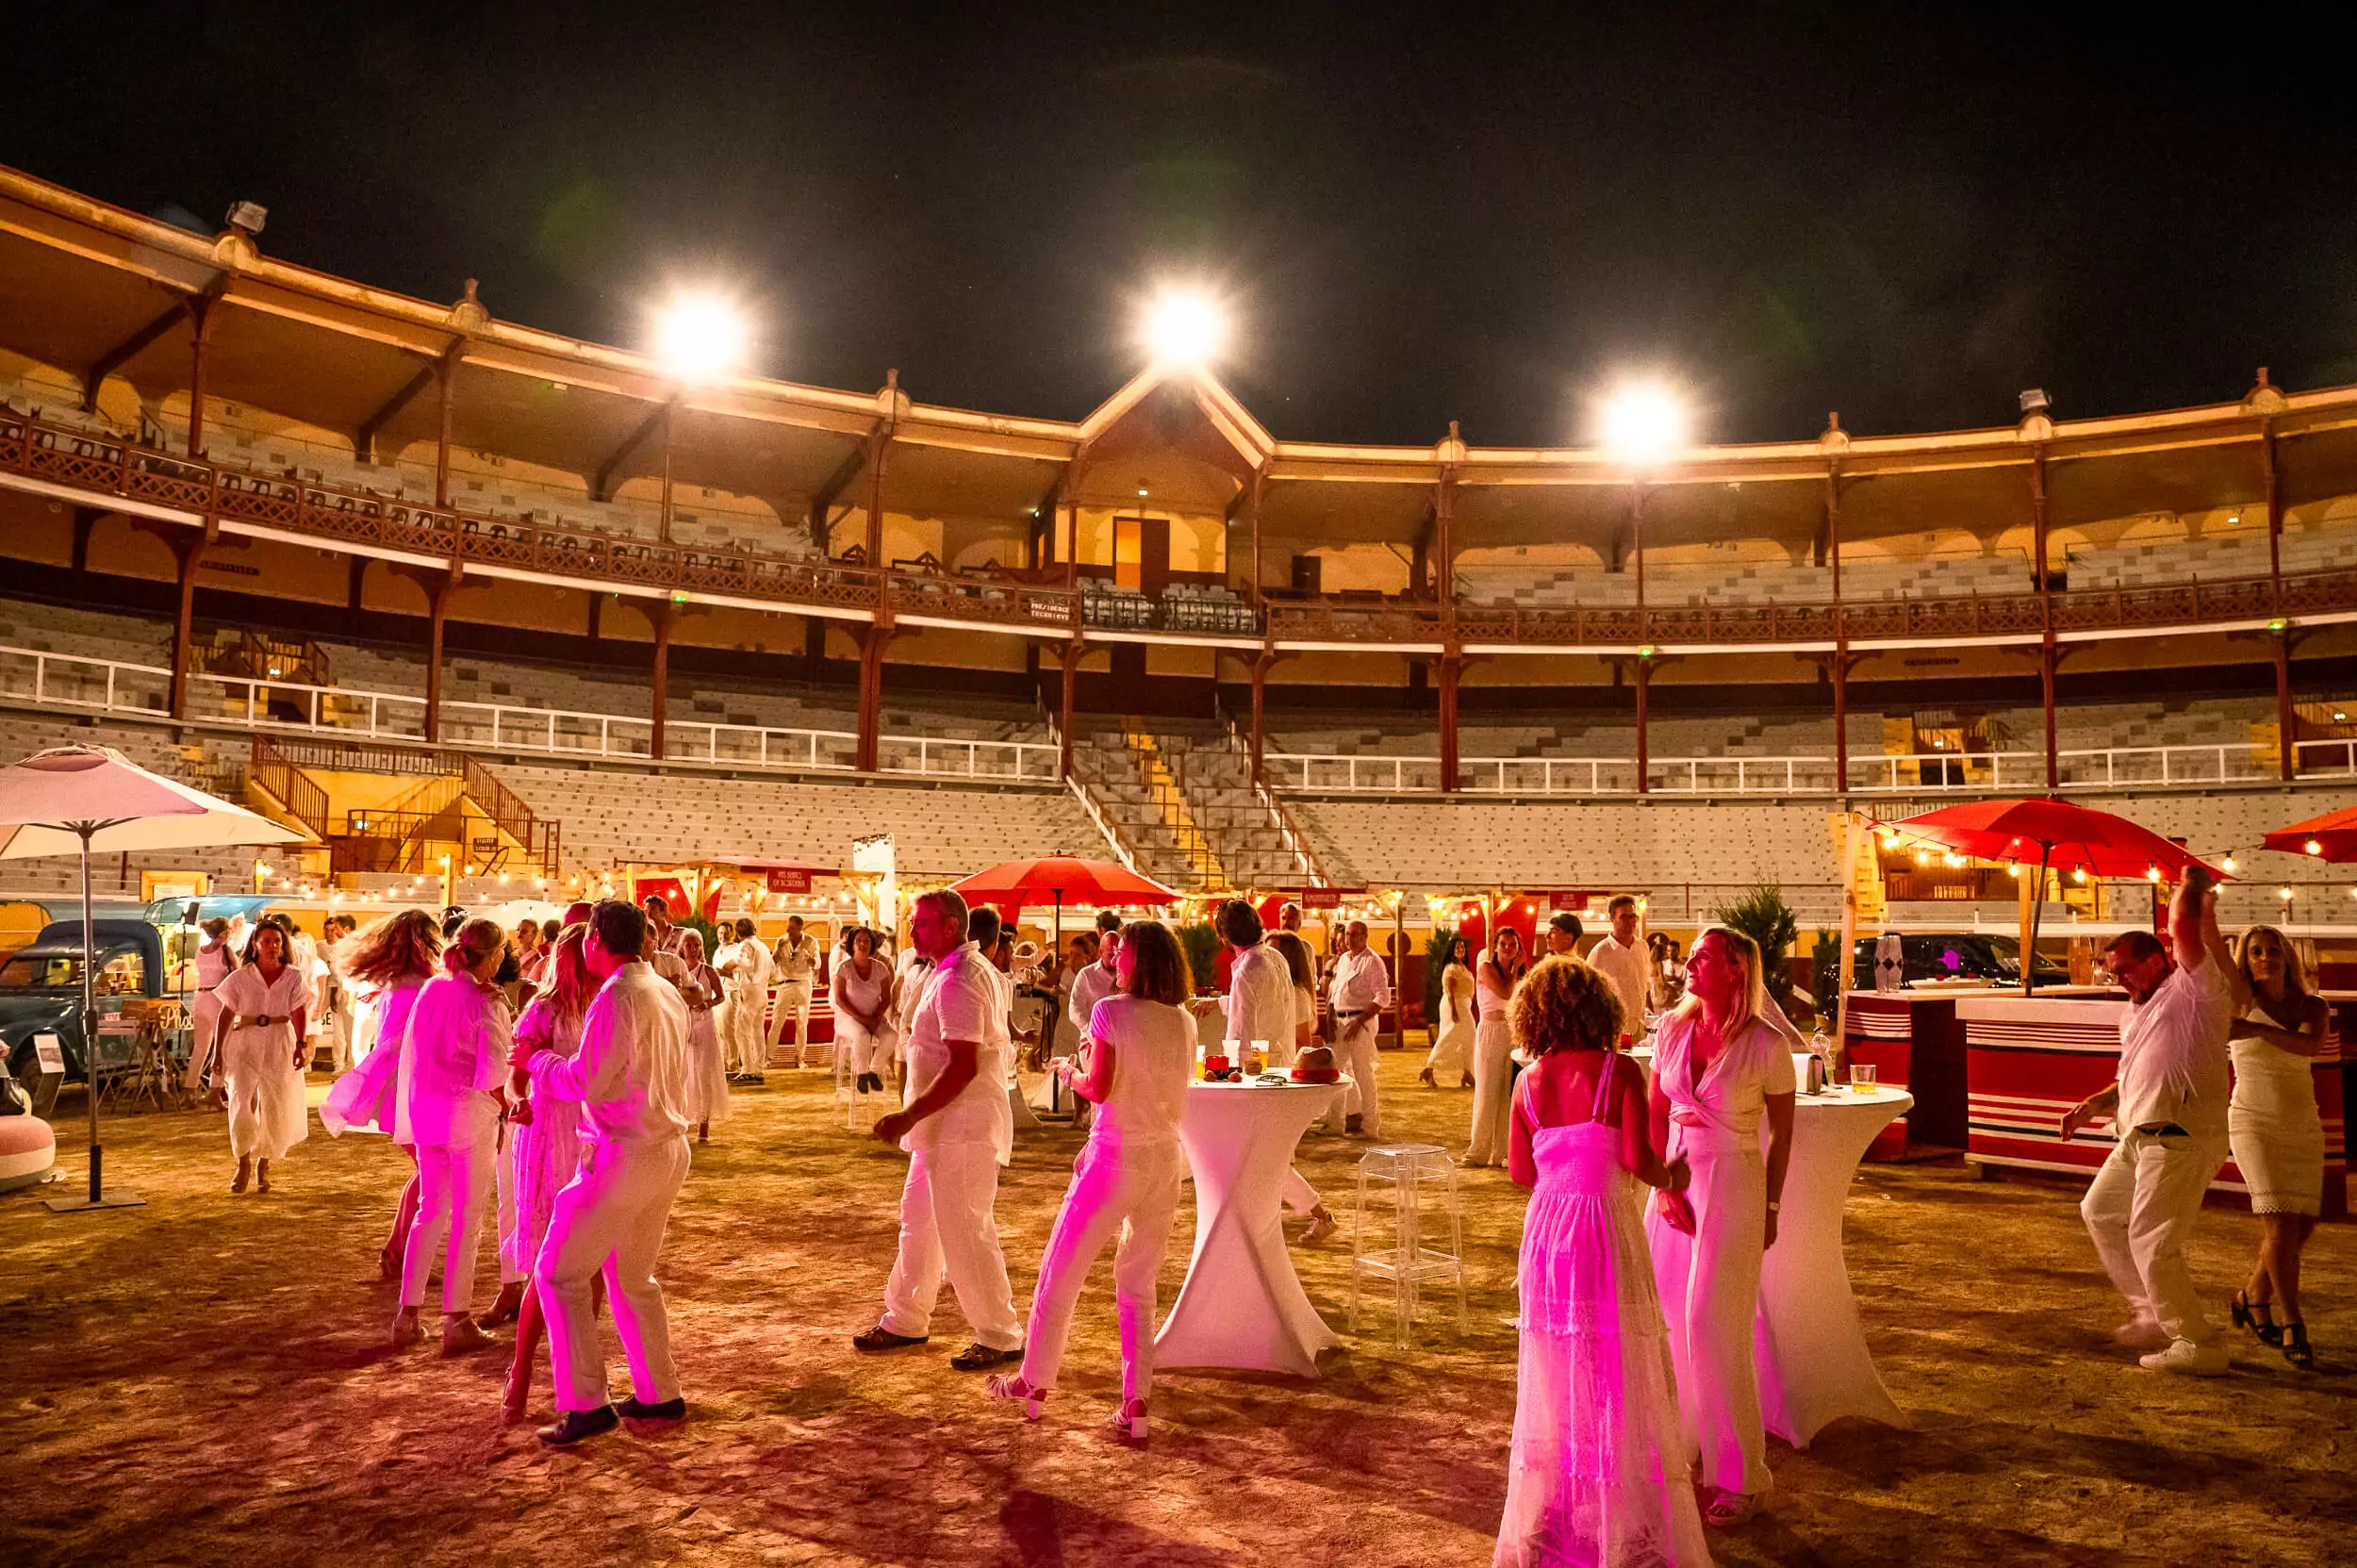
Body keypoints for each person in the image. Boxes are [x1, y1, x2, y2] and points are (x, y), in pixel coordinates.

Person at [1497, 955, 1706, 1568]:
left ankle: (1560, 1507)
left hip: (1547, 1231)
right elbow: (1642, 1159)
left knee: (1557, 1370)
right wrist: (1676, 1174)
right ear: (1598, 1009)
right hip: (1602, 1228)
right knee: (1616, 1369)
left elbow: (1518, 1172)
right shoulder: (1621, 1073)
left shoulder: (1527, 1081)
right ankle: (1616, 1517)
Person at [985, 920, 1194, 1441]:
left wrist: (1068, 1070)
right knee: (1138, 1286)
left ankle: (1033, 1382)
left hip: (1116, 1158)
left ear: (1139, 960)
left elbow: (1099, 1089)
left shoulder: (1109, 1011)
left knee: (1061, 1270)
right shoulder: (1184, 1022)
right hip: (1164, 1161)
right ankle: (1136, 1400)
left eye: (1120, 952)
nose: (1113, 960)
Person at [511, 899, 693, 1445]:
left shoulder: (616, 996)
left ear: (594, 938)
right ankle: (659, 1393)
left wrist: (537, 1063)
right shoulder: (663, 989)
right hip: (665, 1148)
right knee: (633, 1277)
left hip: (622, 1150)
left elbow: (584, 1081)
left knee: (559, 1273)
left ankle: (586, 1404)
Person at [2060, 864, 2235, 1376]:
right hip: (2138, 1136)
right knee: (2099, 1211)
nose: (2119, 980)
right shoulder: (2133, 1012)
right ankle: (2151, 1312)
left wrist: (2190, 883)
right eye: (2112, 973)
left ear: (2158, 960)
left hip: (2181, 1136)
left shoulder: (2195, 991)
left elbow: (2185, 927)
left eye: (2126, 969)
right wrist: (2092, 1105)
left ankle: (2197, 1342)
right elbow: (2135, 1078)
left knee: (2153, 1241)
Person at [1647, 924, 1795, 1526]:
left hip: (1733, 1184)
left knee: (1714, 1325)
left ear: (1736, 968)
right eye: (1691, 956)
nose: (1689, 964)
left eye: (1704, 957)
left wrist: (1773, 1208)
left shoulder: (1766, 1044)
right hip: (1675, 1184)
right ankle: (1680, 1451)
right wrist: (1660, 1185)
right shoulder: (1673, 1028)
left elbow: (1784, 1133)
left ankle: (1739, 1477)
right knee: (1668, 1325)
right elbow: (1658, 1107)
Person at [852, 888, 1024, 1371]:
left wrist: (909, 1115)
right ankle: (905, 1318)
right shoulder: (950, 971)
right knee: (920, 1221)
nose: (911, 930)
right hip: (942, 1126)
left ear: (950, 926)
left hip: (963, 1127)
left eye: (921, 922)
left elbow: (963, 1064)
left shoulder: (960, 978)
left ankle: (1000, 1333)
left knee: (966, 1229)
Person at [389, 917, 513, 1355]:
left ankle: (407, 1314)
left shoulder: (432, 989)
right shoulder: (487, 1001)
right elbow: (494, 1069)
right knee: (467, 1216)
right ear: (493, 955)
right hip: (467, 1113)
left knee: (430, 1210)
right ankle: (456, 1317)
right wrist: (509, 1109)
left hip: (427, 1110)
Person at [499, 926, 595, 1422]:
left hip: (592, 1136)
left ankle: (578, 1374)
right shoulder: (542, 1008)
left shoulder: (606, 1004)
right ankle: (520, 1371)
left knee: (592, 1261)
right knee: (547, 1262)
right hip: (546, 1133)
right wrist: (516, 1103)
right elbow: (515, 1077)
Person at [2220, 925, 2326, 1369]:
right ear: (2246, 960)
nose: (2266, 957)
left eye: (2273, 950)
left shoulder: (2312, 1005)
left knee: (2302, 1229)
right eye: (2256, 951)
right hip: (2253, 1120)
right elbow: (2209, 952)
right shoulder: (2237, 1001)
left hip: (2302, 1121)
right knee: (2280, 1228)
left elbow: (2309, 1046)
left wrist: (2251, 1030)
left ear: (2287, 956)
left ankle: (2251, 1298)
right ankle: (2292, 1323)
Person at [321, 911, 441, 1279]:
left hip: (399, 1085)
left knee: (429, 1172)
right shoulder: (421, 985)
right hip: (412, 1086)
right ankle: (399, 1253)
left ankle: (398, 1251)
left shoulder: (397, 983)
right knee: (433, 1174)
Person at [211, 921, 311, 1194]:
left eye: (276, 941)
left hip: (280, 1041)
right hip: (245, 1043)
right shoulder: (240, 977)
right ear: (255, 944)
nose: (271, 946)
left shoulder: (293, 976)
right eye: (266, 941)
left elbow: (299, 1011)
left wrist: (301, 1044)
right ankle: (242, 1160)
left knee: (275, 1105)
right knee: (242, 1101)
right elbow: (226, 1014)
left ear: (283, 945)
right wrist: (217, 1052)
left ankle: (263, 1165)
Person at [1265, 929, 1339, 1243]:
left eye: (1274, 953)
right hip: (1271, 1077)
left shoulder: (1295, 994)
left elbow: (1303, 1046)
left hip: (1282, 1080)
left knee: (1270, 1160)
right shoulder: (1280, 990)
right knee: (1270, 1160)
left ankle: (1320, 1213)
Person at [1188, 900, 1294, 1070]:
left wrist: (1234, 1068)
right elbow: (1262, 1002)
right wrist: (1218, 1002)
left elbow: (1242, 1029)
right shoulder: (1275, 957)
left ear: (1224, 935)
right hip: (1281, 1058)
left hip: (1256, 1066)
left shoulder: (1247, 968)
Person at [1467, 926, 1528, 1167]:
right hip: (1490, 1031)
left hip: (1511, 1032)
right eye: (1503, 944)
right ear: (1495, 947)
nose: (1507, 948)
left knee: (1508, 1093)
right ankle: (1478, 1150)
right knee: (1487, 1090)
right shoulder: (1486, 968)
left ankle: (1503, 1151)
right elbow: (1504, 993)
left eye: (1512, 944)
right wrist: (1514, 969)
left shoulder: (1520, 974)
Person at [1328, 919, 1393, 1136]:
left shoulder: (1373, 962)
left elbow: (1383, 997)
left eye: (1355, 934)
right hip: (1339, 1021)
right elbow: (1336, 991)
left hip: (1360, 1023)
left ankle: (1371, 1126)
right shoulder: (1344, 960)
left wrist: (1360, 1020)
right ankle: (1336, 1124)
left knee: (1363, 1074)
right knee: (1335, 1074)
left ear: (1365, 936)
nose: (1350, 939)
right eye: (1347, 934)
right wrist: (1330, 1014)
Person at [675, 929, 730, 1144]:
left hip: (704, 1025)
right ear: (682, 947)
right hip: (683, 1026)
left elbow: (721, 996)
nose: (693, 949)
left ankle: (704, 1125)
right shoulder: (677, 971)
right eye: (689, 945)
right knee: (684, 1073)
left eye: (696, 945)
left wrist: (708, 1003)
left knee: (704, 1074)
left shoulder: (708, 971)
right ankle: (685, 1120)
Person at [832, 926, 898, 1096]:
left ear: (872, 944)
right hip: (849, 1017)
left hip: (874, 1016)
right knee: (862, 1035)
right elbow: (840, 999)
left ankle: (874, 1071)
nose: (863, 944)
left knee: (891, 1036)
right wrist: (860, 1018)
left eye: (867, 940)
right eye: (858, 940)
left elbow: (886, 997)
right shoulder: (843, 968)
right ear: (852, 944)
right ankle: (861, 1073)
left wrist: (876, 1016)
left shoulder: (881, 968)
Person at [183, 916, 238, 1091]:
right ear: (223, 933)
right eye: (230, 930)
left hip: (200, 998)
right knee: (223, 1047)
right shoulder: (225, 951)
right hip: (217, 999)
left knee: (200, 1048)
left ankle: (190, 1089)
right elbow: (238, 974)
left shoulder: (200, 950)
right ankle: (215, 1090)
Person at [1587, 895, 1655, 1032]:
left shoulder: (1642, 947)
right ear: (1612, 918)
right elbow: (1590, 995)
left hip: (1641, 1027)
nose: (1630, 922)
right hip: (1615, 1029)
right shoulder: (1600, 952)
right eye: (1624, 917)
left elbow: (1645, 985)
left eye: (1633, 917)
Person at [717, 917, 773, 1082]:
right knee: (757, 1032)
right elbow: (773, 970)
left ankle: (748, 1068)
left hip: (749, 992)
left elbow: (744, 963)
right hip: (762, 990)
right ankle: (759, 1069)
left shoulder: (745, 945)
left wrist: (729, 967)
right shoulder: (763, 946)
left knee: (741, 1032)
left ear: (739, 934)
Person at [1421, 933, 1476, 1089]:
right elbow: (1450, 991)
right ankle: (1430, 1067)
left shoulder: (1462, 967)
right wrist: (1453, 1011)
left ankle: (1467, 1072)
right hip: (1454, 1004)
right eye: (1457, 947)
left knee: (1469, 1037)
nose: (1461, 950)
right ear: (1452, 950)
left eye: (1462, 947)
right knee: (1449, 1037)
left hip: (1463, 1004)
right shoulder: (1451, 968)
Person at [770, 915, 820, 1068]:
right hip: (785, 984)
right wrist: (778, 950)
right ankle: (768, 1057)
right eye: (788, 926)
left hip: (803, 984)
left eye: (791, 927)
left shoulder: (810, 942)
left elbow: (817, 964)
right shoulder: (781, 940)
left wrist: (808, 959)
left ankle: (799, 1058)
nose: (788, 930)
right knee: (777, 1021)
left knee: (802, 1022)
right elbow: (773, 962)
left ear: (800, 928)